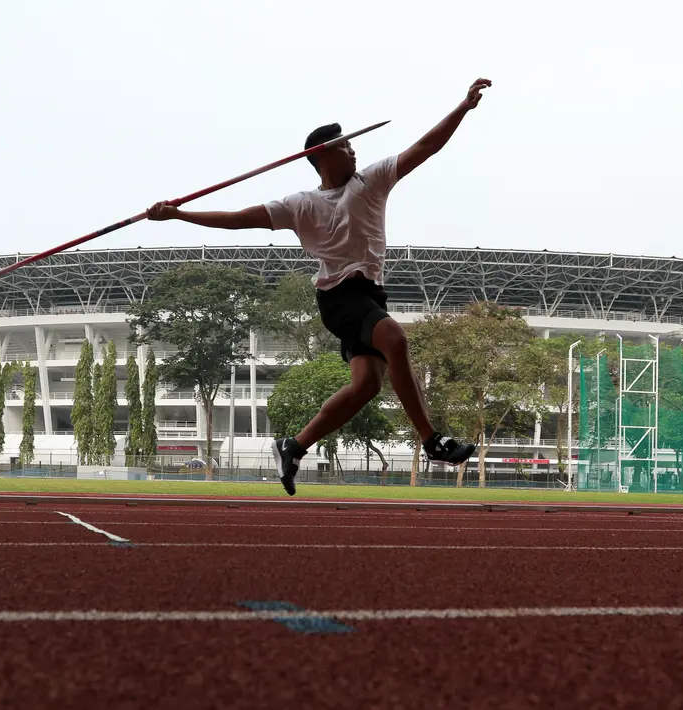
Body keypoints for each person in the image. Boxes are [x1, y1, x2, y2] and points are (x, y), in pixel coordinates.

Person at [146, 78, 491, 495]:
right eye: (346, 145)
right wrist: (180, 216)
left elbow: (425, 147)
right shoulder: (300, 205)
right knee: (395, 338)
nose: (354, 149)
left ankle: (293, 446)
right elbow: (238, 217)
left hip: (370, 295)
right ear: (323, 154)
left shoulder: (372, 180)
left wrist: (463, 107)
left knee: (366, 387)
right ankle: (431, 439)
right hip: (338, 297)